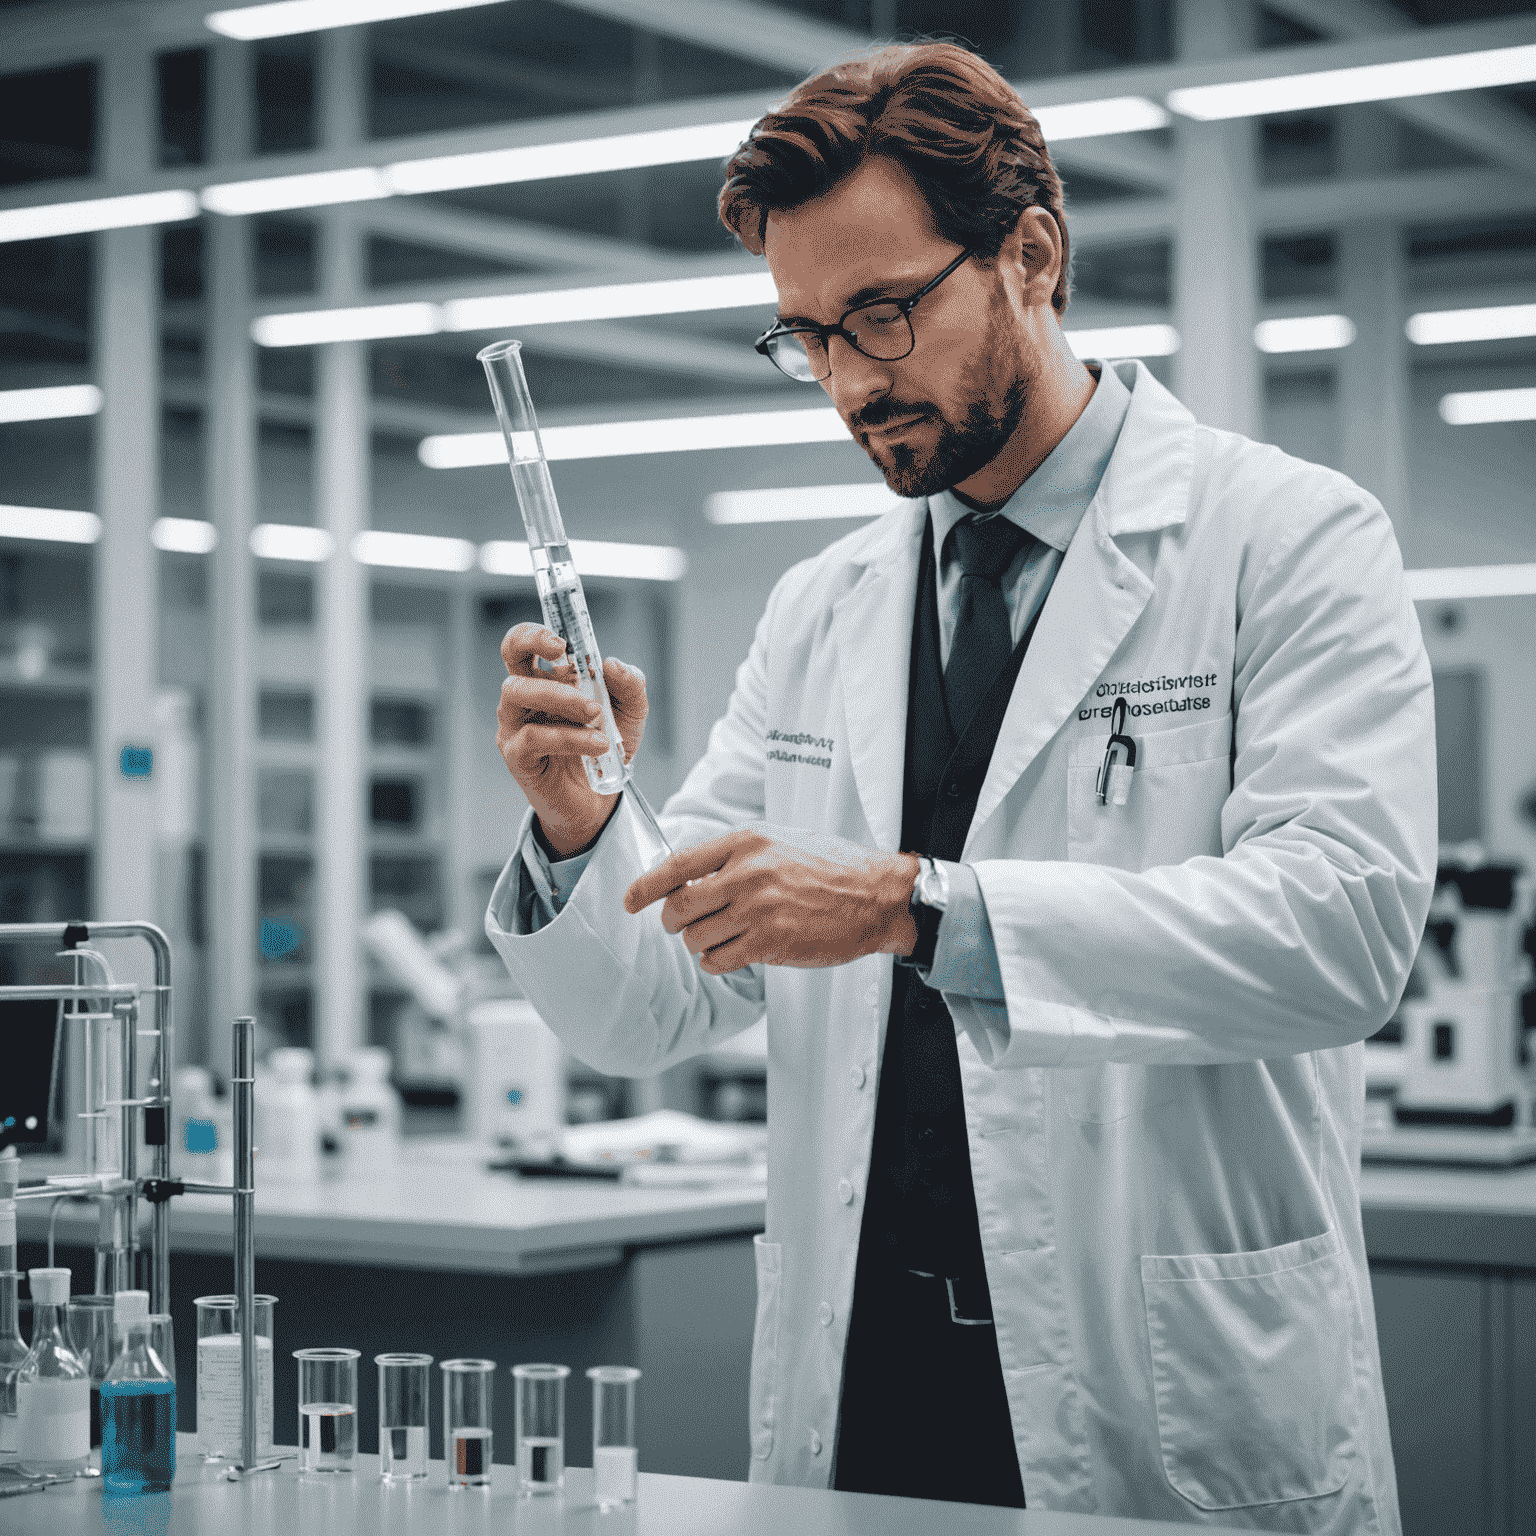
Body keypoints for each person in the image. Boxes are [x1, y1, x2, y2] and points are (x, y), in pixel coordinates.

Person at [486, 41, 1433, 1535]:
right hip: (867, 1392)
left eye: (882, 315)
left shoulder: (1288, 542)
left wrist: (916, 909)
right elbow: (659, 1002)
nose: (851, 383)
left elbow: (1342, 931)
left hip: (1157, 1396)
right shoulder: (825, 605)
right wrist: (580, 824)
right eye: (805, 336)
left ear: (1031, 257)